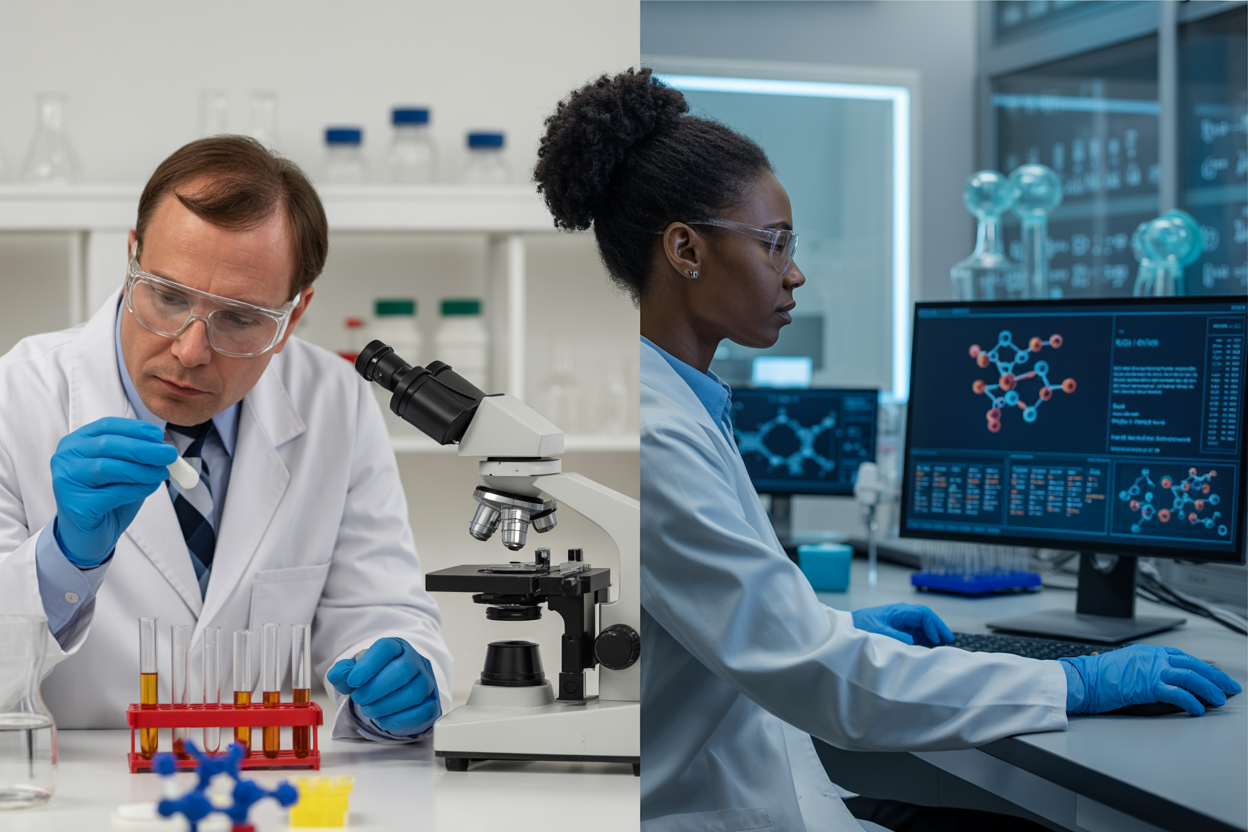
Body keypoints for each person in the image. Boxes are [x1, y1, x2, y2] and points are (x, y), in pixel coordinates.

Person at [534, 69, 1241, 832]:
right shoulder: (662, 433)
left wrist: (839, 629)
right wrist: (1071, 681)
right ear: (685, 250)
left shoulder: (681, 401)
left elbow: (751, 627)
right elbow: (822, 681)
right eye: (774, 244)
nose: (795, 272)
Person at [0, 136, 450, 744]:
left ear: (293, 315)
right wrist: (65, 559)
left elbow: (381, 611)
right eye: (166, 295)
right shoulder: (18, 394)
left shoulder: (333, 399)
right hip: (84, 789)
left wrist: (397, 682)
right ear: (132, 258)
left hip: (264, 784)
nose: (189, 351)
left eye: (239, 318)